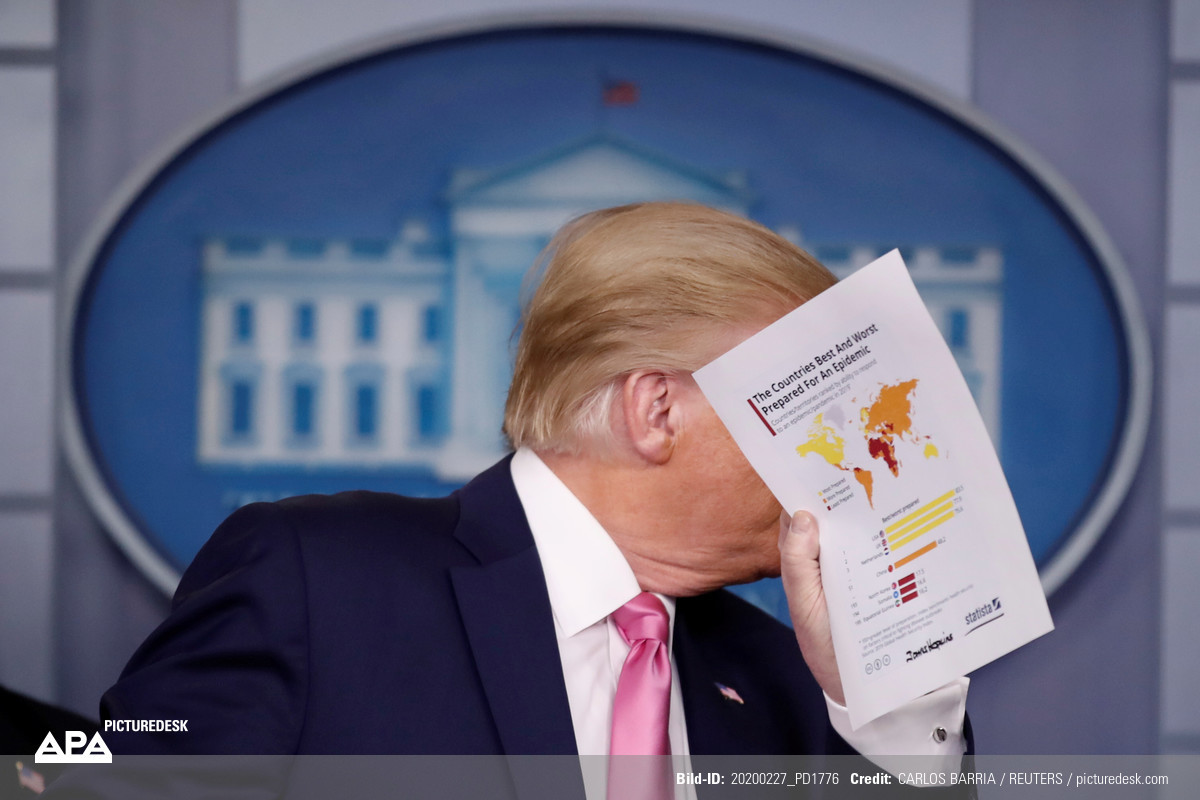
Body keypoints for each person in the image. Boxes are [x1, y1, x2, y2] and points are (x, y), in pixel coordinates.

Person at [52, 203, 970, 798]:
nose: (841, 457)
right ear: (656, 410)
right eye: (805, 411)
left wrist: (893, 708)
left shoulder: (794, 681)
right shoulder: (315, 580)